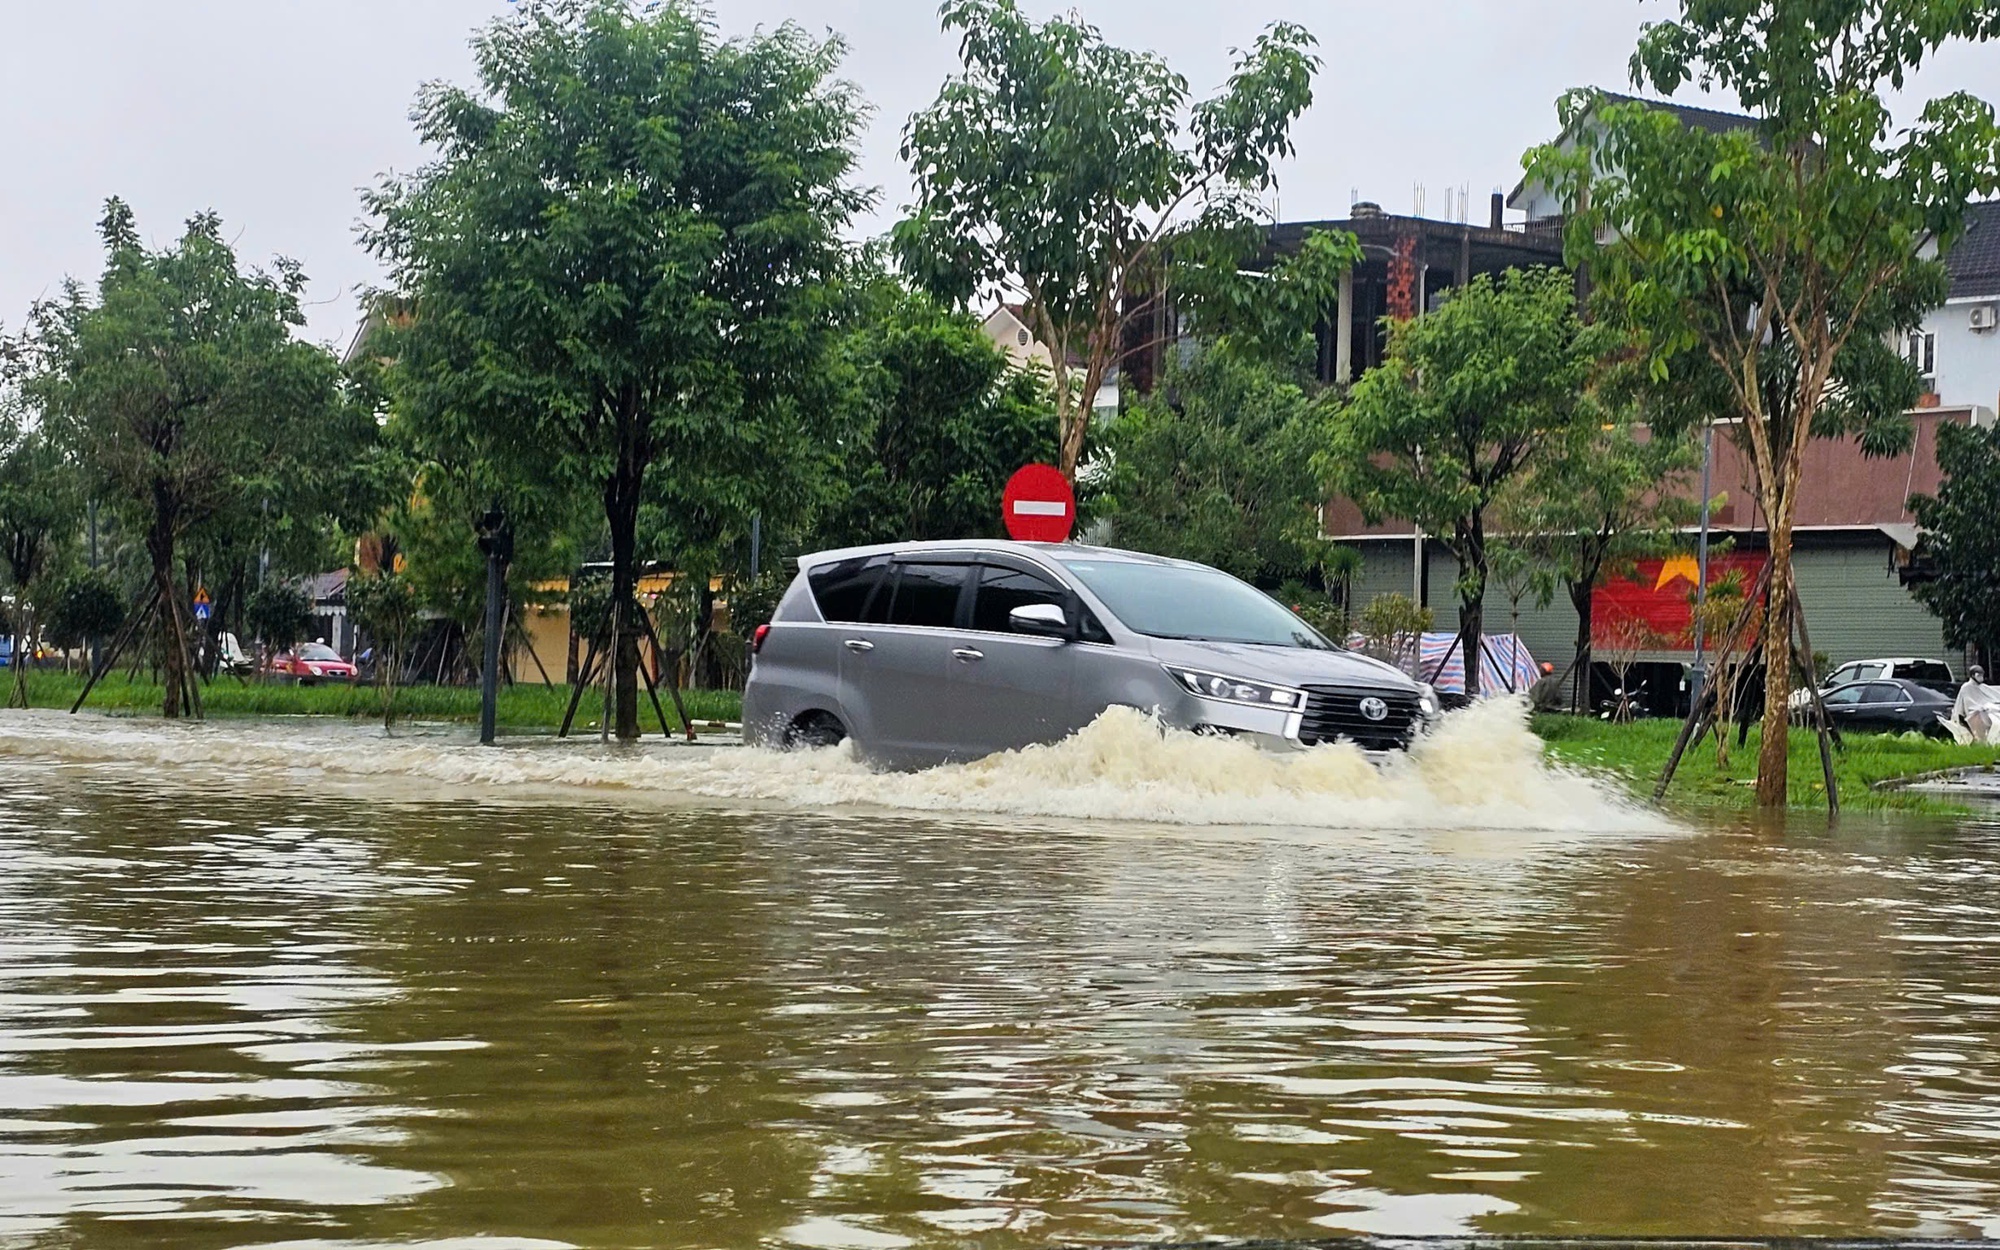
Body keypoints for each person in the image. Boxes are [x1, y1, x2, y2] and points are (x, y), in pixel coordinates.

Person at [1951, 665, 2000, 745]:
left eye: (1982, 675)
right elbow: (1963, 705)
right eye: (1979, 675)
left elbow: (1994, 692)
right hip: (1973, 714)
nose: (1981, 677)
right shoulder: (1966, 688)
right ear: (1973, 675)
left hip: (1985, 711)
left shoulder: (1982, 686)